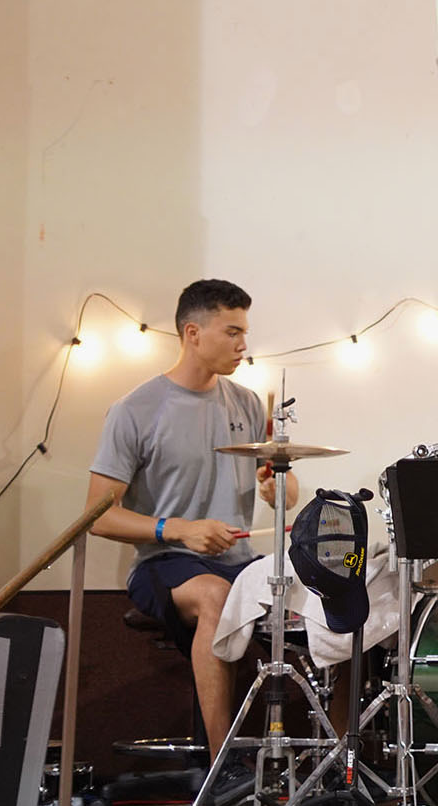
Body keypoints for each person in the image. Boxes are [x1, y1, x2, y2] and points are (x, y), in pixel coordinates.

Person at [87, 279, 296, 774]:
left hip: (238, 563)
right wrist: (176, 530)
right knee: (214, 596)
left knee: (332, 588)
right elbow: (97, 516)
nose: (244, 345)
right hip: (164, 563)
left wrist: (278, 491)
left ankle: (339, 764)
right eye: (233, 332)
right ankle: (224, 768)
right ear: (192, 332)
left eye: (245, 332)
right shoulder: (134, 410)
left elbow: (286, 489)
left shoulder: (247, 403)